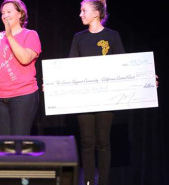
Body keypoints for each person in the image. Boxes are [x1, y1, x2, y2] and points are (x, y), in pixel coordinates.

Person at [68, 0, 124, 185]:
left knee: (103, 142)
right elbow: (69, 67)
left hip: (106, 97)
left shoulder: (112, 36)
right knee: (87, 142)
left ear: (96, 13)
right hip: (84, 99)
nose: (80, 14)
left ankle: (104, 182)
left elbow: (125, 66)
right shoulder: (78, 37)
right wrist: (54, 85)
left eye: (84, 10)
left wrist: (146, 79)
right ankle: (89, 182)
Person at [0, 0, 41, 135]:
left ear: (20, 14)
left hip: (23, 95)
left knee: (19, 140)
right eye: (3, 13)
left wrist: (9, 36)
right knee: (5, 143)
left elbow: (25, 58)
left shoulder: (30, 34)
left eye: (9, 12)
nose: (5, 15)